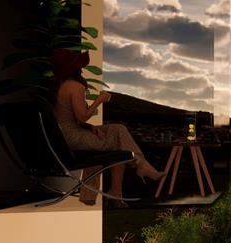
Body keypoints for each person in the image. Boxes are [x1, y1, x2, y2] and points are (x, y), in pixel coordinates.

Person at [50, 48, 164, 207]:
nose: (81, 69)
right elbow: (82, 116)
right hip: (73, 139)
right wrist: (100, 99)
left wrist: (89, 127)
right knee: (118, 137)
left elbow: (69, 117)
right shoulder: (75, 86)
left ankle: (105, 194)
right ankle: (139, 168)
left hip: (64, 136)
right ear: (73, 68)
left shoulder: (59, 86)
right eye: (79, 65)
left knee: (117, 131)